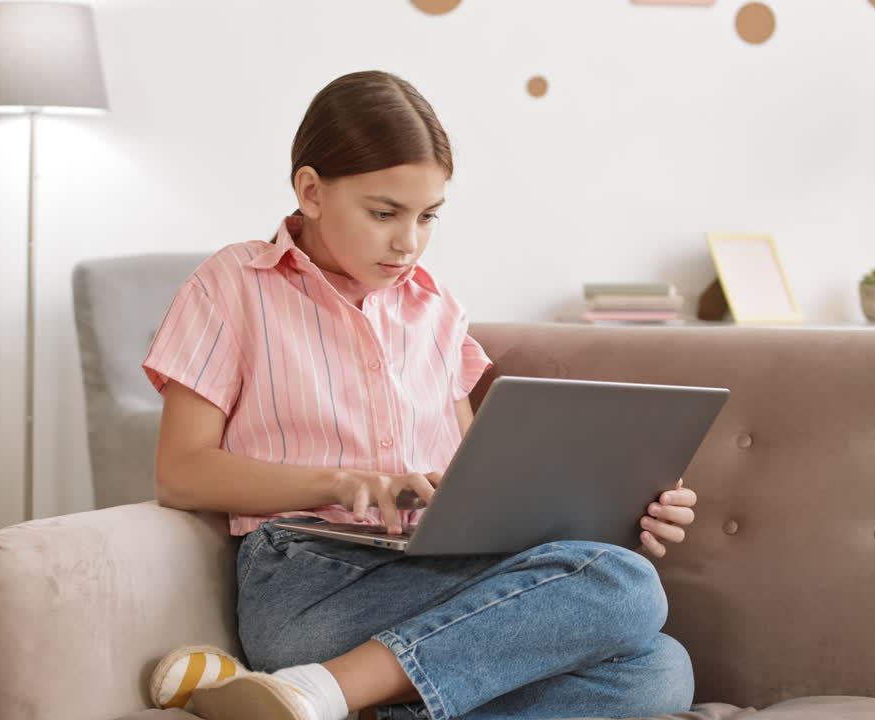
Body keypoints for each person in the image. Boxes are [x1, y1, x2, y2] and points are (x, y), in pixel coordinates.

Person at [141, 70, 699, 720]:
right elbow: (180, 473)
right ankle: (323, 689)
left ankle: (323, 699)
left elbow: (471, 479)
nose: (408, 241)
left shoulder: (436, 308)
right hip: (308, 583)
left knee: (659, 669)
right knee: (628, 591)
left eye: (428, 216)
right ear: (311, 190)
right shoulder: (232, 285)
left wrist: (621, 510)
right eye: (384, 214)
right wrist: (348, 481)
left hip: (432, 568)